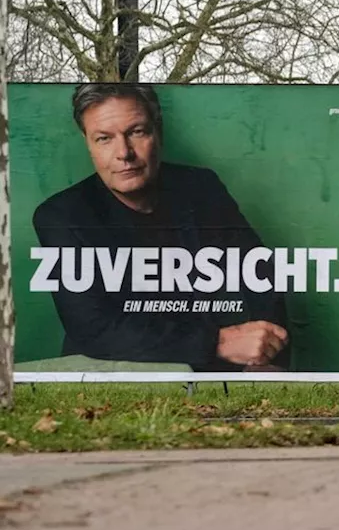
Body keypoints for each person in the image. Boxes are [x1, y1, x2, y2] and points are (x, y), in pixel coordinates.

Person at [32, 83, 290, 372]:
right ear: (87, 142)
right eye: (104, 138)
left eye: (136, 132)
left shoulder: (200, 188)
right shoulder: (60, 215)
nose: (124, 153)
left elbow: (261, 272)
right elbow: (95, 329)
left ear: (158, 130)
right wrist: (217, 342)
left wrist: (266, 353)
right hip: (109, 373)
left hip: (203, 367)